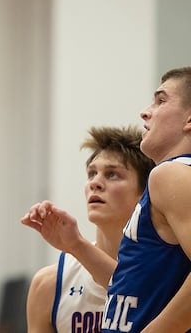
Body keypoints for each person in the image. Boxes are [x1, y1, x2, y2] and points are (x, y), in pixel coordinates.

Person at [22, 66, 191, 332]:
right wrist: (77, 245)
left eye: (161, 100)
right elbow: (139, 291)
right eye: (91, 173)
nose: (145, 112)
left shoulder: (170, 174)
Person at [23, 126, 155, 333]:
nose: (95, 183)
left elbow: (135, 291)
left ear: (146, 193)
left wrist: (77, 245)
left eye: (112, 175)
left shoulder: (167, 271)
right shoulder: (49, 284)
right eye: (92, 173)